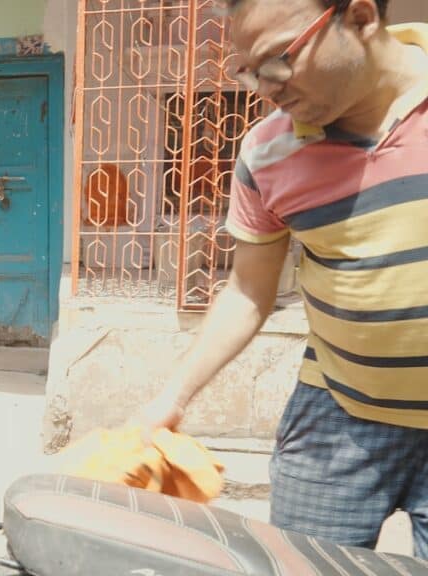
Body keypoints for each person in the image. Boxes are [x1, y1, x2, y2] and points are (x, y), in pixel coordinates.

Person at [137, 0, 428, 558]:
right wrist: (170, 398)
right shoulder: (268, 152)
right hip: (337, 419)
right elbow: (248, 290)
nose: (262, 89)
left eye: (277, 61)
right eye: (247, 70)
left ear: (362, 17)